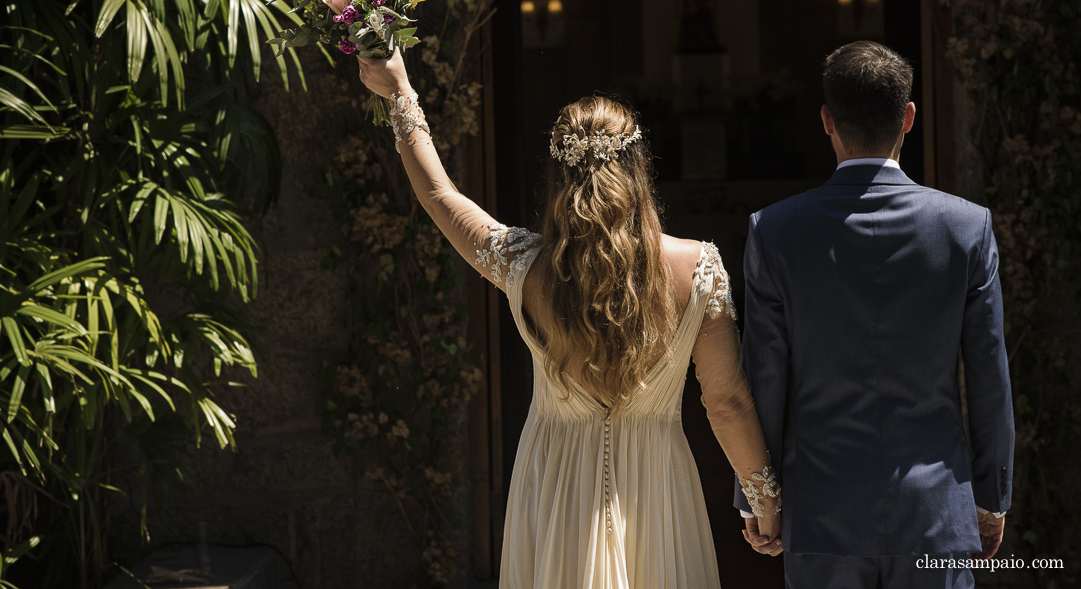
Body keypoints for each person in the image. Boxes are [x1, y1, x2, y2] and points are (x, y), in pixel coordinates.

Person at [357, 48, 781, 588]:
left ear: (559, 175)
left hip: (554, 489)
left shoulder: (523, 265)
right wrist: (764, 500)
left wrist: (400, 93)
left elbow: (441, 195)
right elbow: (726, 401)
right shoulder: (696, 266)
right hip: (657, 488)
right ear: (638, 168)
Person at [734, 40, 1014, 587]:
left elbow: (764, 376)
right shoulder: (966, 227)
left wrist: (756, 501)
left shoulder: (775, 231)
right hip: (936, 512)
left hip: (821, 514)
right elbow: (988, 375)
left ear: (826, 121)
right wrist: (992, 497)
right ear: (909, 118)